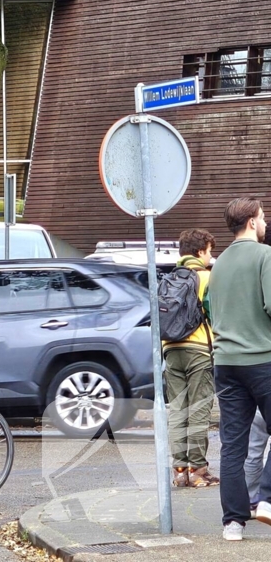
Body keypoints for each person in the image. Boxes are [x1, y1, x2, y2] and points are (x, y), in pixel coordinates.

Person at [207, 197, 271, 540]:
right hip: (263, 359)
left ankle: (233, 523)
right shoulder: (265, 256)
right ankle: (267, 500)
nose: (264, 223)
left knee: (232, 445)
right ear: (250, 222)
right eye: (262, 218)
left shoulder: (218, 264)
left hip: (226, 363)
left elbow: (213, 311)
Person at [164, 228, 219, 488]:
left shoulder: (168, 278)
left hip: (170, 350)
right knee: (198, 409)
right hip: (198, 350)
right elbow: (215, 314)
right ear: (200, 252)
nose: (211, 256)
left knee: (177, 410)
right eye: (209, 251)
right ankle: (198, 470)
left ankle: (179, 470)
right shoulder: (207, 278)